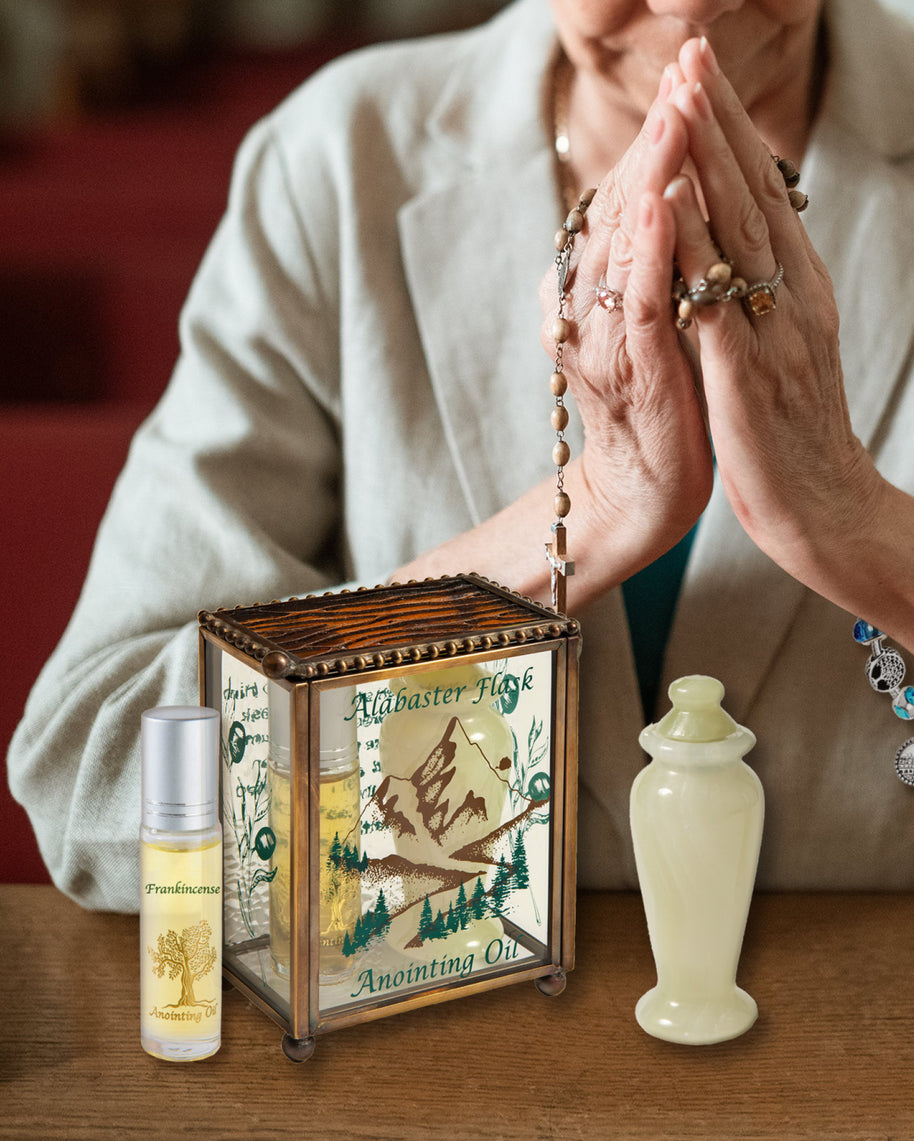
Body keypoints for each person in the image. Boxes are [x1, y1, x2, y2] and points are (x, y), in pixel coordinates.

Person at [8, 0, 914, 911]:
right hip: (441, 1034)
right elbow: (95, 778)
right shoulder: (336, 162)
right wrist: (581, 522)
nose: (688, 7)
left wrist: (856, 524)